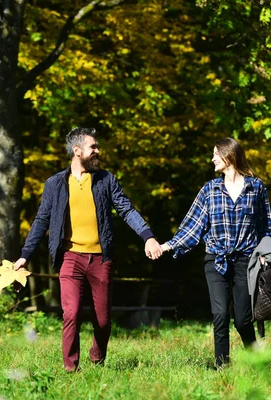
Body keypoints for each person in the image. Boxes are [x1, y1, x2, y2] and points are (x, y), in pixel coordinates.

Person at [14, 127, 163, 372]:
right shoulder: (55, 184)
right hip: (70, 258)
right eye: (93, 147)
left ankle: (97, 358)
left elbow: (126, 209)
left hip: (100, 259)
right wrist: (24, 255)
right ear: (77, 151)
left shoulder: (106, 180)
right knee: (71, 313)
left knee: (103, 320)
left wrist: (147, 236)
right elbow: (41, 220)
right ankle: (70, 368)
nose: (97, 151)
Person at [160, 137, 271, 368]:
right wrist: (168, 245)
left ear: (229, 155)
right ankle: (221, 366)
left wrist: (266, 253)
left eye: (216, 154)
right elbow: (193, 225)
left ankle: (256, 359)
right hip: (216, 258)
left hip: (246, 259)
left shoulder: (256, 188)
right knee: (220, 315)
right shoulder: (210, 190)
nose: (212, 158)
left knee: (243, 321)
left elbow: (267, 226)